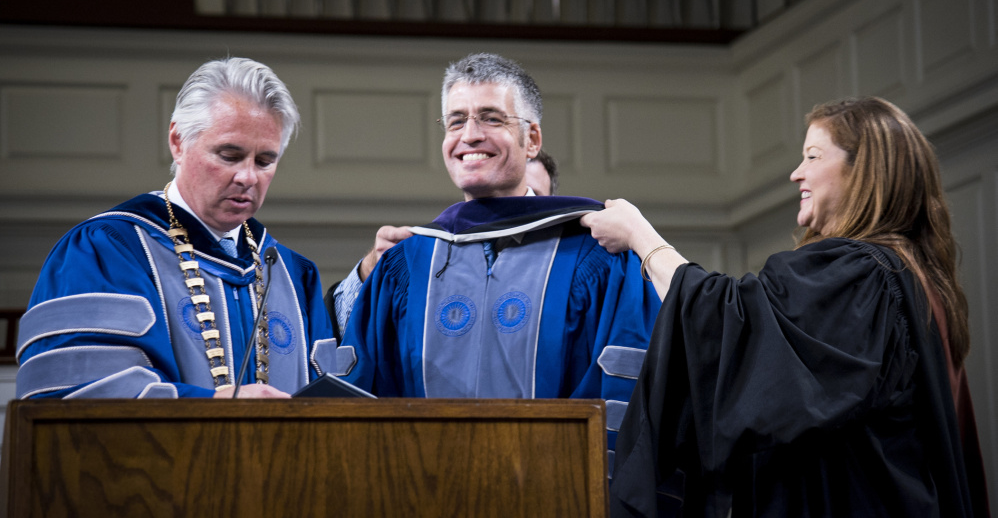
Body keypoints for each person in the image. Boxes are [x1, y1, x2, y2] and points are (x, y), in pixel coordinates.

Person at [581, 96, 989, 516]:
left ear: (864, 171)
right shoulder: (916, 278)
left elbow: (729, 325)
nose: (797, 173)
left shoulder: (861, 277)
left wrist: (640, 237)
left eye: (813, 156)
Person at [332, 53, 662, 454]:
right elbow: (364, 398)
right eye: (456, 120)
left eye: (491, 117)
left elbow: (625, 393)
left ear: (532, 140)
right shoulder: (406, 264)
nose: (470, 135)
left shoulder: (596, 256)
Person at [15, 57, 336, 400]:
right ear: (178, 141)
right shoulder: (107, 250)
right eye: (229, 155)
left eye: (264, 161)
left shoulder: (291, 273)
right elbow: (78, 393)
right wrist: (212, 405)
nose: (247, 177)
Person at [325, 148, 559, 339]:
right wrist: (371, 271)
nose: (514, 205)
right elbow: (344, 339)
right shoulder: (433, 260)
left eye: (531, 195)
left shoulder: (567, 271)